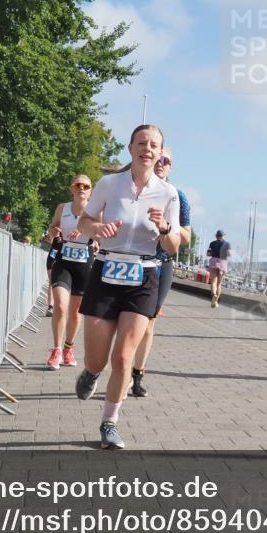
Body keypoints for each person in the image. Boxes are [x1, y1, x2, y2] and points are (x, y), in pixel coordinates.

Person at [74, 124, 180, 450]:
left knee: (123, 358)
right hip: (106, 271)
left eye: (154, 145)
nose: (148, 149)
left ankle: (109, 423)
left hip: (144, 277)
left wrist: (164, 228)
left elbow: (174, 246)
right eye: (142, 143)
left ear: (160, 152)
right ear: (130, 147)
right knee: (98, 360)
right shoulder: (109, 184)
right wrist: (99, 229)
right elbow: (83, 222)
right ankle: (90, 374)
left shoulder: (168, 193)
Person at [130, 147, 192, 397]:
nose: (161, 163)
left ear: (170, 167)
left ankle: (137, 375)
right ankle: (120, 368)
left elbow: (186, 235)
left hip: (160, 262)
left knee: (148, 323)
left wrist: (167, 228)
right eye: (158, 158)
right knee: (127, 320)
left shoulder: (178, 196)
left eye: (166, 160)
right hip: (132, 260)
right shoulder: (134, 188)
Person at [43, 175, 96, 370]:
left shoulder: (95, 210)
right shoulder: (62, 208)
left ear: (90, 191)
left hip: (84, 264)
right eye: (77, 185)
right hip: (63, 262)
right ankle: (56, 349)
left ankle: (68, 348)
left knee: (75, 312)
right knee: (61, 306)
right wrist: (53, 232)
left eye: (85, 186)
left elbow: (99, 233)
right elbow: (51, 228)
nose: (81, 188)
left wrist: (83, 232)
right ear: (72, 189)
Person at [206, 230, 231, 307]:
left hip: (213, 262)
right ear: (223, 236)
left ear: (216, 236)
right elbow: (229, 254)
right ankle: (216, 301)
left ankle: (214, 295)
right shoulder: (226, 244)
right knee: (219, 284)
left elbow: (208, 254)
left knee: (213, 282)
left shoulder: (212, 243)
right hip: (222, 263)